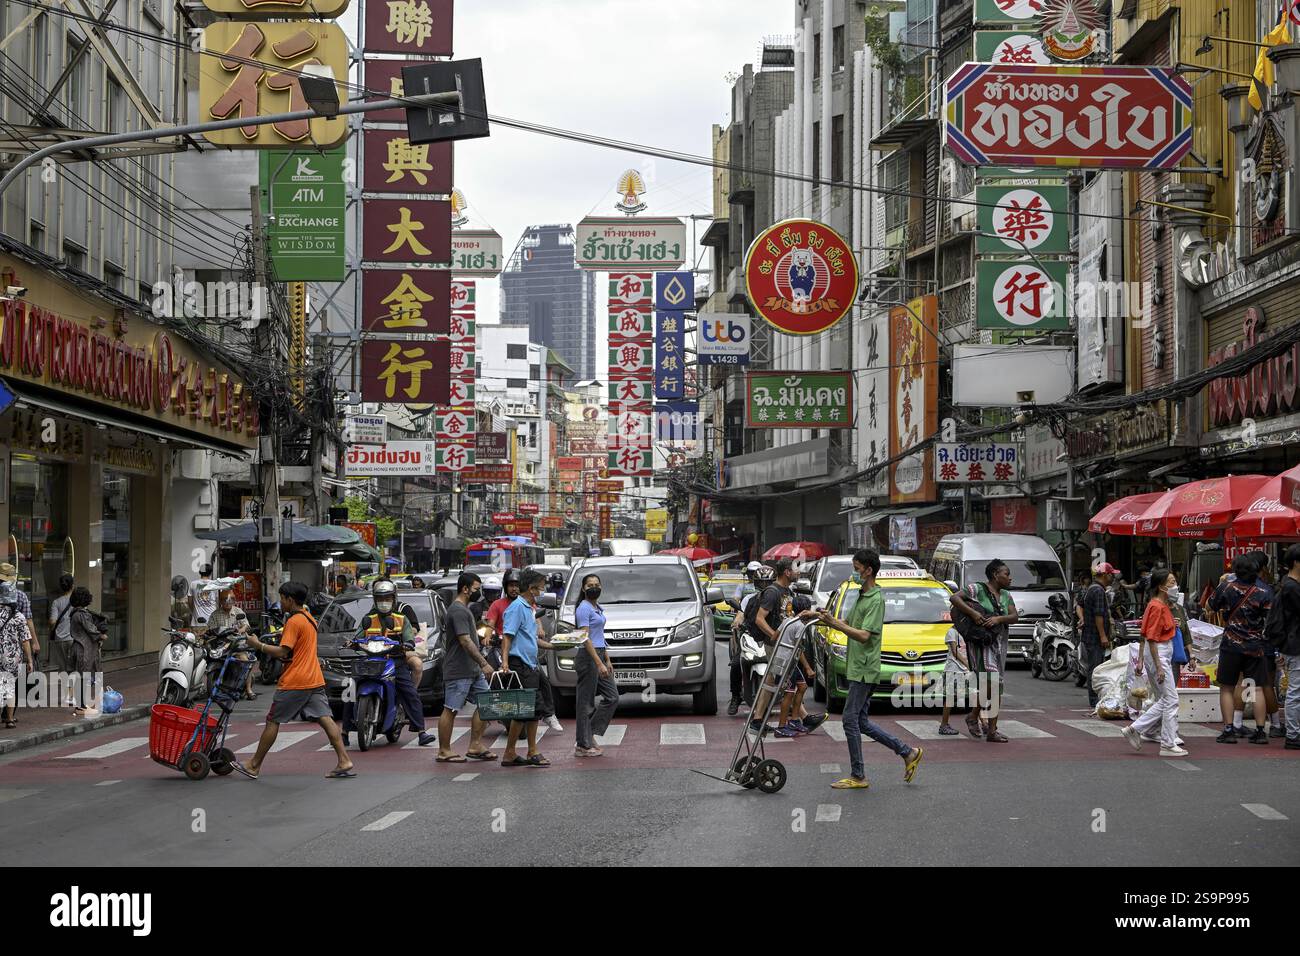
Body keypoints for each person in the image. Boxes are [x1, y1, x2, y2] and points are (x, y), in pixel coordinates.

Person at [815, 549, 923, 789]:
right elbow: (849, 624)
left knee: (849, 719)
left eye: (857, 569)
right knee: (860, 721)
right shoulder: (861, 596)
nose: (854, 573)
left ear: (868, 570)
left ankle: (858, 775)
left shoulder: (875, 599)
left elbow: (864, 635)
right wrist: (823, 617)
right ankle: (908, 753)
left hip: (865, 668)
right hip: (858, 667)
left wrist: (835, 624)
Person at [235, 582, 354, 779]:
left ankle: (254, 765)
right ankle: (344, 760)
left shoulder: (294, 621)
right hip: (314, 678)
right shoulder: (309, 618)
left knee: (273, 720)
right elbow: (297, 651)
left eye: (282, 598)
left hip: (296, 680)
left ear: (290, 600)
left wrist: (258, 645)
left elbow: (283, 650)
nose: (280, 602)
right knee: (325, 718)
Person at [350, 579, 434, 747]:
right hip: (372, 661)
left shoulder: (401, 618)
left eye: (387, 598)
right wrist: (352, 642)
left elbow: (410, 635)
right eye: (380, 598)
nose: (384, 602)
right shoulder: (368, 618)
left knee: (409, 692)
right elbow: (358, 634)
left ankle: (421, 731)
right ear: (375, 599)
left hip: (395, 661)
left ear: (393, 598)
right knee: (351, 690)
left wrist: (408, 643)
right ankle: (345, 730)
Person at [950, 559, 1018, 742]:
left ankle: (990, 729)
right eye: (1007, 574)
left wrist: (999, 619)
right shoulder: (976, 589)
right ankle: (975, 717)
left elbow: (1014, 616)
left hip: (999, 644)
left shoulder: (1006, 595)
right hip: (980, 644)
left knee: (997, 687)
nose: (1010, 578)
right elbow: (954, 598)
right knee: (993, 681)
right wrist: (973, 613)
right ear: (996, 574)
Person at [747, 559, 817, 735]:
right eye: (795, 570)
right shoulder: (773, 592)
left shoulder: (787, 591)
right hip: (777, 645)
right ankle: (788, 721)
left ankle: (762, 720)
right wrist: (774, 635)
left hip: (785, 645)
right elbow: (759, 619)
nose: (798, 573)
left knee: (774, 682)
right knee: (780, 683)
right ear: (787, 572)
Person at [1121, 569, 1186, 757]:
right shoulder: (1158, 607)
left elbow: (1145, 634)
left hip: (1157, 654)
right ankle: (1162, 740)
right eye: (1171, 582)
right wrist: (1158, 666)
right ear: (1161, 587)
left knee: (1164, 699)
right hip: (1159, 653)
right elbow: (1151, 638)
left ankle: (1153, 733)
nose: (1175, 586)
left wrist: (1143, 660)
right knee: (1170, 700)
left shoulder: (1157, 605)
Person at [1209, 554, 1274, 745]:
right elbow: (1270, 619)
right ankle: (1261, 731)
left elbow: (1211, 606)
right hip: (1255, 646)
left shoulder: (1227, 586)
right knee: (1256, 687)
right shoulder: (1265, 590)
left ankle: (1229, 729)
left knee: (1227, 687)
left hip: (1231, 645)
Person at [435, 572, 497, 763]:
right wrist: (484, 663)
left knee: (486, 703)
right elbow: (464, 641)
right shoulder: (459, 611)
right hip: (459, 669)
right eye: (476, 589)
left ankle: (475, 745)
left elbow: (471, 637)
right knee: (451, 709)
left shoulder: (465, 610)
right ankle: (444, 750)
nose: (479, 593)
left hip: (472, 670)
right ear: (465, 588)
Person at [499, 569, 552, 767]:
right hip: (519, 665)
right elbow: (507, 636)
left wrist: (556, 645)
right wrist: (505, 662)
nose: (543, 590)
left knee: (533, 710)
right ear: (531, 588)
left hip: (530, 664)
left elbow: (533, 639)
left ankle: (525, 751)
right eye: (541, 587)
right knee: (524, 711)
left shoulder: (529, 608)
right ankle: (517, 752)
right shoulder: (517, 608)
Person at [574, 573, 618, 757]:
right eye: (590, 584)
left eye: (597, 584)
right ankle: (583, 745)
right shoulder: (583, 609)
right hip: (588, 657)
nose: (594, 587)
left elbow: (599, 635)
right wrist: (598, 662)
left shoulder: (597, 608)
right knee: (585, 702)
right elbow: (585, 638)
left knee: (612, 697)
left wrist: (606, 659)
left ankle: (588, 733)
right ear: (583, 588)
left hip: (599, 654)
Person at [1248, 550, 1285, 737]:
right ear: (1263, 567)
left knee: (1249, 683)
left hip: (1244, 643)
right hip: (1266, 643)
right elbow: (1273, 620)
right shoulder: (1265, 590)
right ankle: (1275, 724)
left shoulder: (1240, 586)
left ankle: (1242, 723)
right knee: (1266, 685)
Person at [1269, 543, 1300, 750]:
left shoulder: (1287, 585)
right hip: (1295, 645)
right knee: (1295, 691)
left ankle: (1293, 732)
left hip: (1291, 644)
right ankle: (1293, 734)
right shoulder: (1292, 587)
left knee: (1295, 690)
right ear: (1297, 563)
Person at [1079, 562, 1118, 711]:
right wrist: (1103, 636)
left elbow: (1079, 605)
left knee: (1094, 667)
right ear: (1105, 575)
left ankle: (1094, 698)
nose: (1113, 577)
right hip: (1094, 637)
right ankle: (1094, 699)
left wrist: (1082, 618)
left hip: (1089, 635)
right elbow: (1099, 616)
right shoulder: (1098, 591)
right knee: (1095, 668)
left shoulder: (1091, 589)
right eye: (1111, 574)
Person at [206, 589, 257, 700]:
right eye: (225, 600)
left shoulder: (238, 612)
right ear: (220, 601)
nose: (228, 602)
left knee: (244, 661)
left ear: (234, 601)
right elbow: (210, 628)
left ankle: (249, 690)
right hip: (221, 645)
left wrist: (240, 630)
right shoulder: (215, 615)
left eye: (230, 600)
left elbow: (246, 625)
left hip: (236, 645)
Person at [0, 579, 35, 728]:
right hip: (13, 659)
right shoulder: (19, 617)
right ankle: (9, 719)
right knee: (10, 687)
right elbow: (26, 640)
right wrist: (30, 660)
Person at [67, 586, 106, 714]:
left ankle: (82, 705)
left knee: (82, 677)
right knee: (83, 678)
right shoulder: (81, 614)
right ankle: (81, 707)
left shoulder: (75, 613)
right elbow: (91, 630)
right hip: (84, 649)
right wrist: (101, 635)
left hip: (78, 647)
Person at [0, 563, 39, 665]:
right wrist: (34, 643)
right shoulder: (21, 596)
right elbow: (28, 621)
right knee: (17, 679)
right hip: (15, 653)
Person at [938, 624, 969, 736]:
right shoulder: (952, 632)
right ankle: (944, 725)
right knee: (950, 698)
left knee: (975, 695)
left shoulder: (966, 631)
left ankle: (982, 723)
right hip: (954, 669)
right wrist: (967, 664)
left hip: (964, 669)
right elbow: (955, 652)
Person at [47, 573, 75, 674]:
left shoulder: (56, 602)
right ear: (72, 586)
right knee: (74, 666)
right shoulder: (78, 601)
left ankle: (67, 688)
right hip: (74, 638)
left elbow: (53, 621)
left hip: (60, 639)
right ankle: (75, 687)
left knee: (63, 667)